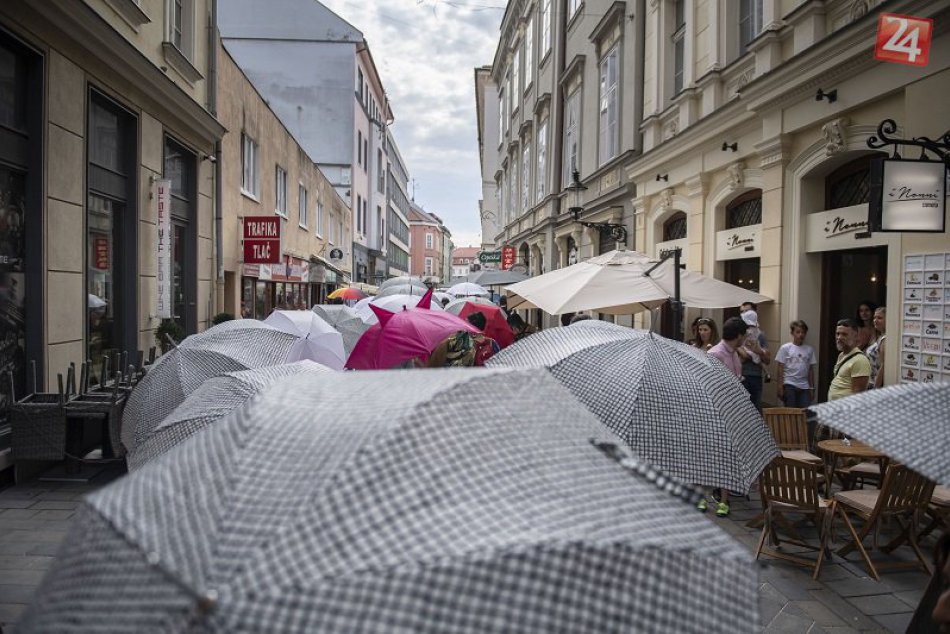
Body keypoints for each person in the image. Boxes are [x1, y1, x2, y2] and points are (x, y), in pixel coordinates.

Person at [703, 316, 749, 518]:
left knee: (727, 456)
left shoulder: (734, 354)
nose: (745, 339)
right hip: (716, 411)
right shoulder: (716, 354)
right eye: (744, 335)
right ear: (738, 335)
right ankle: (703, 495)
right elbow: (709, 384)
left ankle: (724, 499)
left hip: (733, 411)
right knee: (710, 455)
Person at [775, 320, 817, 408]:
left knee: (805, 412)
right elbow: (780, 368)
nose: (800, 335)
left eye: (803, 332)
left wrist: (812, 388)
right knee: (790, 412)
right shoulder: (785, 348)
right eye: (798, 332)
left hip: (804, 386)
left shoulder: (809, 350)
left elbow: (810, 371)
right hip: (789, 384)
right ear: (792, 333)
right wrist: (780, 387)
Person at [736, 304, 770, 411]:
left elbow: (767, 360)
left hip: (755, 376)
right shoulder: (737, 333)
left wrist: (760, 352)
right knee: (742, 408)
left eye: (747, 311)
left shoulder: (760, 335)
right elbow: (733, 349)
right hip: (740, 375)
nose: (744, 313)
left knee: (755, 408)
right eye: (742, 311)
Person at [828, 318, 870, 401]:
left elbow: (858, 394)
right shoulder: (841, 355)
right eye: (837, 334)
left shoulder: (860, 360)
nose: (839, 337)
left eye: (844, 334)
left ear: (855, 336)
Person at [865, 306, 886, 390]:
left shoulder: (885, 339)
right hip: (869, 382)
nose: (875, 320)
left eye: (879, 318)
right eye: (874, 317)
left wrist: (876, 388)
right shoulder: (879, 336)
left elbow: (883, 366)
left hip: (875, 385)